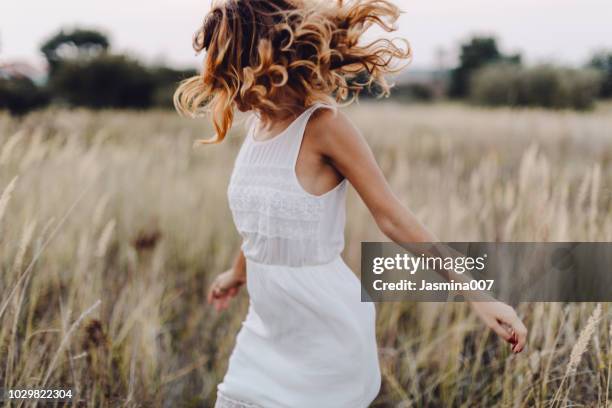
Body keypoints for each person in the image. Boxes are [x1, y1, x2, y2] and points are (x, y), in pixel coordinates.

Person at [174, 1, 528, 407]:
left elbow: (392, 217)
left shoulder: (325, 126)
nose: (219, 82)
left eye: (226, 68)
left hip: (324, 333)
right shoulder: (258, 128)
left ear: (258, 60)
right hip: (264, 331)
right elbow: (265, 223)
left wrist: (476, 294)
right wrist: (237, 274)